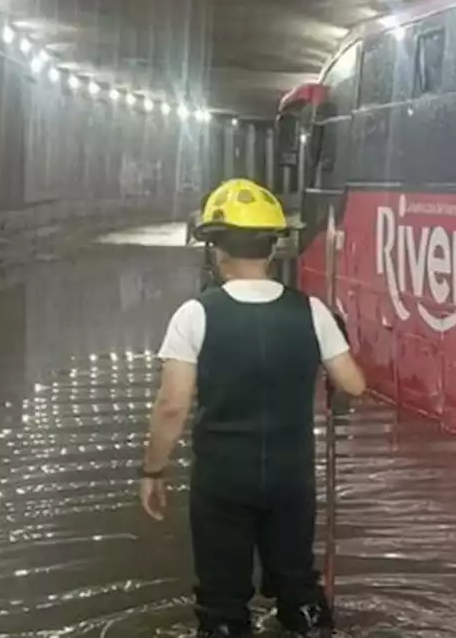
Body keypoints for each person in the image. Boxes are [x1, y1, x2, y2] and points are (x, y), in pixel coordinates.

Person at [138, 177, 367, 637]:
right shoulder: (311, 311)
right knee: (298, 586)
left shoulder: (195, 314)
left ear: (216, 248)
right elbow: (353, 385)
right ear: (271, 249)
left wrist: (153, 471)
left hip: (223, 480)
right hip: (291, 477)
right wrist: (335, 373)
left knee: (222, 601)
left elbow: (171, 406)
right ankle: (306, 619)